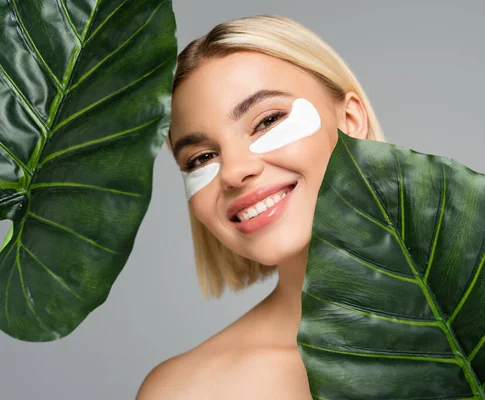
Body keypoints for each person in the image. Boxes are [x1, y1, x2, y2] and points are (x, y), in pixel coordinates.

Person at [136, 14, 386, 399]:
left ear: (350, 120)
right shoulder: (183, 391)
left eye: (267, 120)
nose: (234, 172)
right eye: (201, 158)